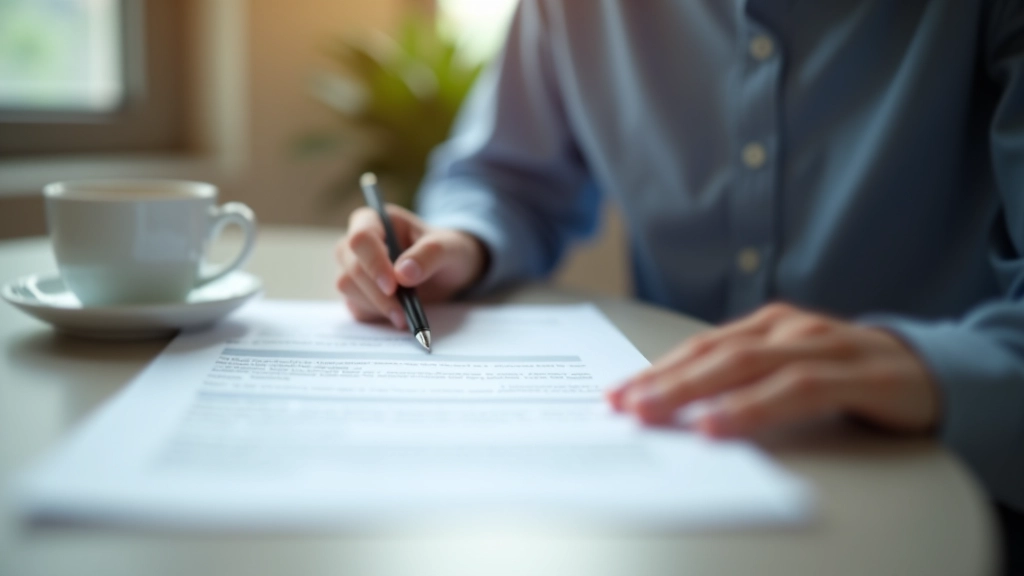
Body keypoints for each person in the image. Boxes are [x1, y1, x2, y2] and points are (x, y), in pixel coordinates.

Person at [335, 0, 1023, 568]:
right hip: (670, 473)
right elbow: (505, 177)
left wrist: (931, 368)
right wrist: (465, 242)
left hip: (954, 497)